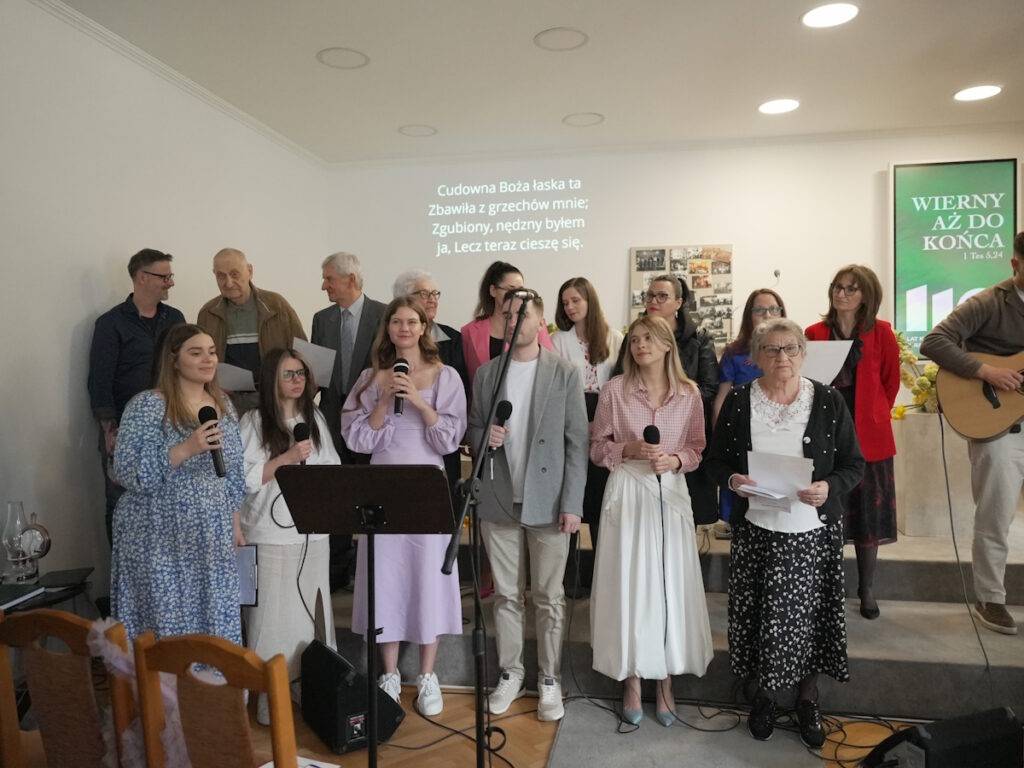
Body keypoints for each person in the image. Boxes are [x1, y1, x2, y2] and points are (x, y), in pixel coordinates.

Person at [706, 318, 864, 747]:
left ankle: (808, 699)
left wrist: (828, 487)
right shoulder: (740, 400)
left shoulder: (827, 400)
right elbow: (716, 462)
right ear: (756, 358)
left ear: (803, 354)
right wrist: (734, 481)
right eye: (772, 349)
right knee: (761, 618)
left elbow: (854, 464)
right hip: (758, 530)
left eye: (791, 348)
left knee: (810, 619)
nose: (783, 357)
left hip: (812, 532)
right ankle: (764, 697)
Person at [341, 298, 467, 716]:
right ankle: (389, 674)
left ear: (424, 327)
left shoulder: (445, 376)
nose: (404, 328)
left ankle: (428, 675)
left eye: (412, 321)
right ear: (388, 328)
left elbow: (449, 439)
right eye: (396, 321)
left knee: (427, 575)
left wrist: (417, 400)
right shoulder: (370, 378)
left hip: (426, 486)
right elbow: (357, 439)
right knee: (386, 577)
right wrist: (383, 401)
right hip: (382, 488)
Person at [467, 292, 588, 723]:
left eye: (524, 313)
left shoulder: (564, 373)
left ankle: (549, 678)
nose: (515, 319)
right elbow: (474, 427)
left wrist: (572, 504)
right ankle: (511, 673)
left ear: (540, 322)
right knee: (505, 595)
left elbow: (577, 444)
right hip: (499, 498)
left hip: (549, 501)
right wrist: (484, 437)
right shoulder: (488, 374)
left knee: (550, 597)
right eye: (509, 314)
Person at [589, 315, 713, 727]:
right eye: (635, 339)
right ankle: (632, 678)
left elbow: (696, 449)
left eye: (648, 338)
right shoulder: (614, 390)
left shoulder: (689, 394)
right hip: (627, 490)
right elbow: (597, 447)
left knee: (668, 585)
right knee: (630, 584)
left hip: (670, 493)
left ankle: (665, 681)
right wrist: (627, 449)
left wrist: (674, 460)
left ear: (667, 345)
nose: (640, 345)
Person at [110, 324, 246, 645]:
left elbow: (234, 472)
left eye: (212, 352)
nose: (208, 360)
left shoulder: (223, 405)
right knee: (165, 627)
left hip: (210, 536)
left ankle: (211, 679)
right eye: (196, 353)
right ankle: (162, 680)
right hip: (157, 538)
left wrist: (235, 523)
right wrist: (185, 448)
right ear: (173, 360)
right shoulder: (147, 405)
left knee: (214, 621)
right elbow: (127, 471)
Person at [920, 231, 1024, 635]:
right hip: (998, 427)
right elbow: (935, 341)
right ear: (1015, 264)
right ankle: (990, 598)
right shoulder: (988, 302)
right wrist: (986, 371)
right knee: (995, 516)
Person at [238, 347, 340, 725]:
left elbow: (333, 467)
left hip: (311, 535)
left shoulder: (315, 418)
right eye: (289, 374)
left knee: (309, 617)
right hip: (267, 535)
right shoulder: (252, 421)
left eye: (302, 374)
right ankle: (270, 694)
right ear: (271, 379)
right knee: (271, 619)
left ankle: (305, 686)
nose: (298, 380)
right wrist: (285, 460)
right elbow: (243, 479)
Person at [805, 265, 899, 620]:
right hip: (826, 437)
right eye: (837, 287)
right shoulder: (814, 333)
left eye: (850, 289)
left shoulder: (882, 332)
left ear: (866, 295)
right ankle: (826, 589)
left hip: (871, 438)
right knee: (826, 513)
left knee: (868, 518)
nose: (841, 293)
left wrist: (873, 415)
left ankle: (867, 588)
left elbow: (890, 383)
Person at [88, 248, 186, 544]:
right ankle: (122, 567)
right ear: (142, 277)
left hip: (171, 424)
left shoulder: (175, 318)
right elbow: (100, 379)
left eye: (170, 276)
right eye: (164, 276)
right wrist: (109, 430)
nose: (171, 282)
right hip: (125, 428)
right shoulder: (111, 323)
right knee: (120, 498)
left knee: (168, 495)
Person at [613, 275, 720, 524]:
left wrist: (673, 400)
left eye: (662, 296)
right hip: (639, 438)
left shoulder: (698, 337)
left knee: (681, 516)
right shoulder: (634, 336)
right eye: (650, 295)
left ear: (679, 302)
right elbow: (622, 377)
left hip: (682, 432)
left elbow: (709, 386)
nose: (654, 301)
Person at [310, 251, 387, 590]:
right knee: (336, 494)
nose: (323, 285)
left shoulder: (383, 315)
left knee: (370, 493)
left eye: (329, 279)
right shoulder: (322, 319)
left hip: (371, 421)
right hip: (331, 420)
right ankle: (337, 572)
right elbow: (318, 374)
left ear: (350, 279)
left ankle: (372, 570)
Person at [551, 276, 623, 596]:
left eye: (576, 300)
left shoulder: (615, 338)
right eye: (565, 302)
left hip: (608, 419)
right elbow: (556, 387)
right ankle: (568, 582)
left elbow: (621, 383)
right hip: (570, 417)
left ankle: (602, 585)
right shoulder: (558, 341)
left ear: (590, 300)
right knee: (570, 498)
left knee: (601, 501)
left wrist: (603, 422)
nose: (570, 307)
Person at [711, 289, 788, 539]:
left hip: (782, 429)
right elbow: (722, 397)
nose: (767, 315)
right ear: (749, 315)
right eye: (760, 310)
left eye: (773, 309)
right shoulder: (735, 353)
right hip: (742, 430)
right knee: (744, 487)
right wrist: (719, 434)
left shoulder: (791, 349)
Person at [197, 247, 307, 413]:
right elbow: (200, 361)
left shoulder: (277, 305)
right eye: (221, 276)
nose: (228, 283)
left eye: (235, 274)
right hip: (227, 401)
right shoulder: (208, 313)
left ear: (249, 271)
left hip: (274, 397)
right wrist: (212, 386)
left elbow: (301, 352)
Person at [393, 269, 469, 506]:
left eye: (435, 294)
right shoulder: (389, 342)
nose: (432, 299)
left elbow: (462, 394)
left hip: (442, 447)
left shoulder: (453, 339)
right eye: (424, 294)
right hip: (396, 453)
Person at [461, 261, 553, 388]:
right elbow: (470, 381)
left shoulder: (534, 325)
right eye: (511, 289)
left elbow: (548, 366)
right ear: (493, 290)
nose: (516, 295)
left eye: (521, 290)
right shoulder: (469, 331)